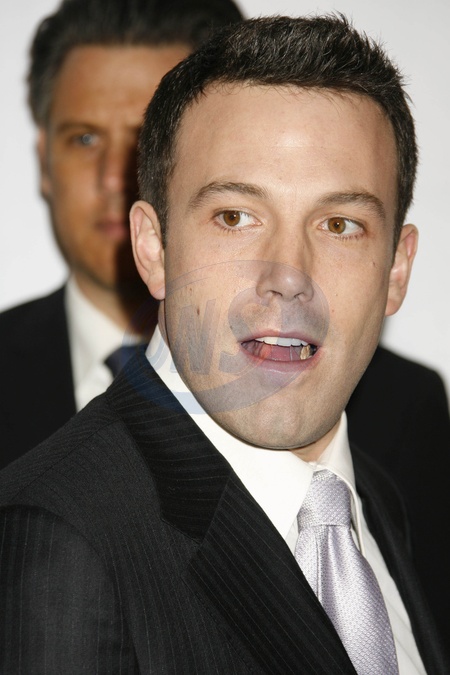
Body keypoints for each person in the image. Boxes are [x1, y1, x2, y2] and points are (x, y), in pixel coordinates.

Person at [1, 14, 448, 673]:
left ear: (397, 270)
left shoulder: (381, 503)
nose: (288, 276)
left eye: (339, 224)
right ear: (153, 248)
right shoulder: (58, 536)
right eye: (235, 217)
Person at [0, 0, 243, 468]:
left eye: (147, 138)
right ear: (44, 161)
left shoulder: (383, 405)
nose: (116, 178)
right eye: (85, 139)